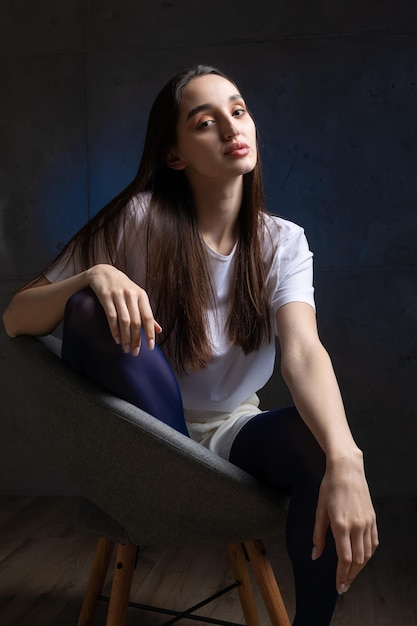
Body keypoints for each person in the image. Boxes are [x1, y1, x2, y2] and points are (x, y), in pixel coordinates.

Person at [3, 64, 378, 625]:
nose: (231, 128)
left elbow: (303, 352)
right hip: (143, 433)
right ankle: (179, 467)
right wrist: (91, 275)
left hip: (230, 434)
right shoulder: (137, 220)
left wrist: (347, 460)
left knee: (320, 444)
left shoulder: (283, 242)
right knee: (86, 308)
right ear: (174, 155)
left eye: (238, 110)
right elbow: (15, 318)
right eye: (205, 122)